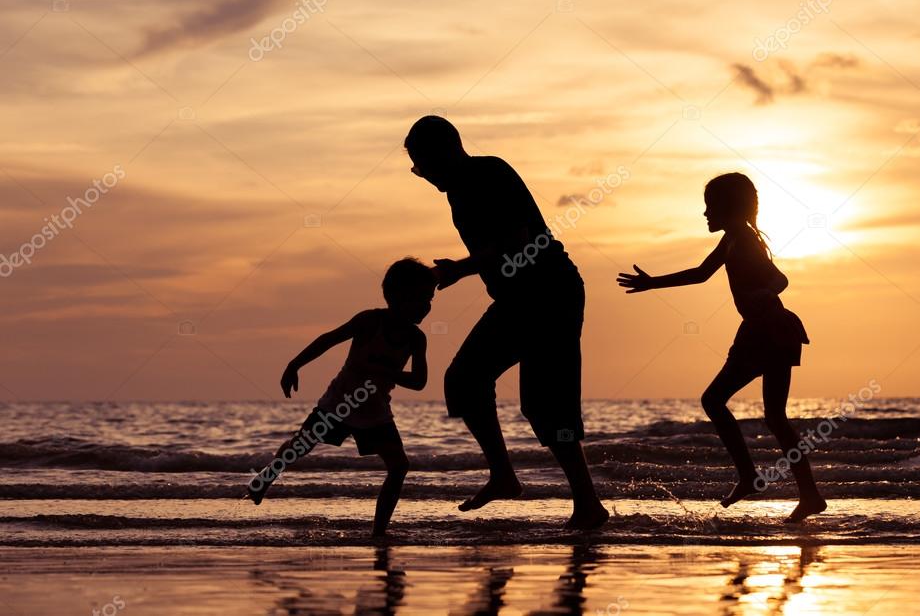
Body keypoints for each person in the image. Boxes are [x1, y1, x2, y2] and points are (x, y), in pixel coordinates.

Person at [405, 115, 608, 530]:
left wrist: (459, 270)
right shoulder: (457, 193)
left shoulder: (489, 172)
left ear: (446, 151)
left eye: (422, 166)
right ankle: (503, 476)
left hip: (551, 292)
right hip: (517, 300)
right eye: (417, 170)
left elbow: (518, 240)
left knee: (546, 404)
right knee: (463, 379)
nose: (422, 176)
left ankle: (588, 504)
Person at [617, 172, 827, 523]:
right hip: (770, 330)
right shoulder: (733, 239)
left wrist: (764, 293)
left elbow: (780, 279)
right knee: (773, 417)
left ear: (727, 208)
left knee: (715, 400)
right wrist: (653, 283)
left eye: (709, 207)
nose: (705, 215)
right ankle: (808, 495)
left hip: (768, 330)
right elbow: (701, 274)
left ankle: (751, 477)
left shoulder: (743, 240)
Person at [245, 258, 435, 537]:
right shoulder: (369, 321)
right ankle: (266, 476)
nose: (427, 307)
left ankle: (378, 532)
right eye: (421, 299)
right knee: (301, 446)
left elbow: (419, 382)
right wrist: (295, 364)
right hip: (339, 405)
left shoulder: (416, 338)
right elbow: (328, 339)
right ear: (397, 297)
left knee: (399, 466)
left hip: (375, 412)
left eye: (430, 299)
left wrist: (383, 371)